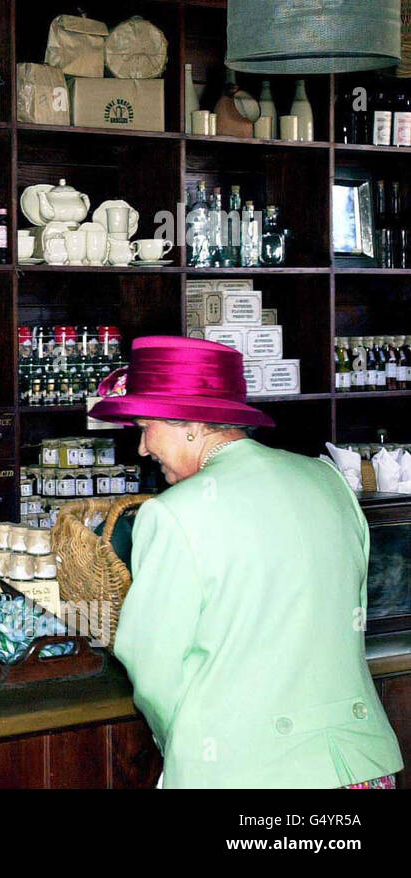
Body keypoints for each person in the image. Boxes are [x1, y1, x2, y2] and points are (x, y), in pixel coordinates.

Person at [89, 336, 403, 788]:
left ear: (190, 425)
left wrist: (184, 740)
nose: (142, 448)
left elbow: (153, 666)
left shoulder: (172, 512)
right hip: (360, 767)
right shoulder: (328, 482)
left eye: (146, 426)